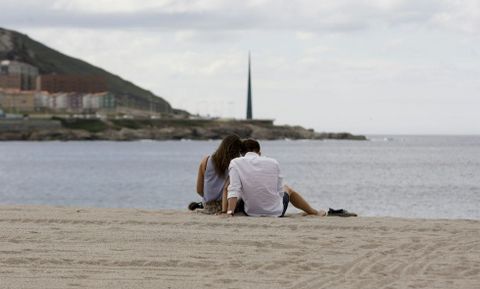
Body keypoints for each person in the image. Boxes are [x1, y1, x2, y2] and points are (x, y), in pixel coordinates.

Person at [225, 139, 327, 217]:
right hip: (276, 212)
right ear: (259, 152)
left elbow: (234, 189)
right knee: (287, 188)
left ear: (241, 153)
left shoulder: (235, 162)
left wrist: (230, 212)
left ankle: (228, 210)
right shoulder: (273, 162)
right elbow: (279, 191)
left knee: (243, 191)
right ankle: (314, 212)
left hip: (250, 212)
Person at [189, 134, 243, 214]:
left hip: (208, 206)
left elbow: (199, 190)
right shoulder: (236, 164)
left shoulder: (206, 161)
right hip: (227, 206)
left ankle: (199, 205)